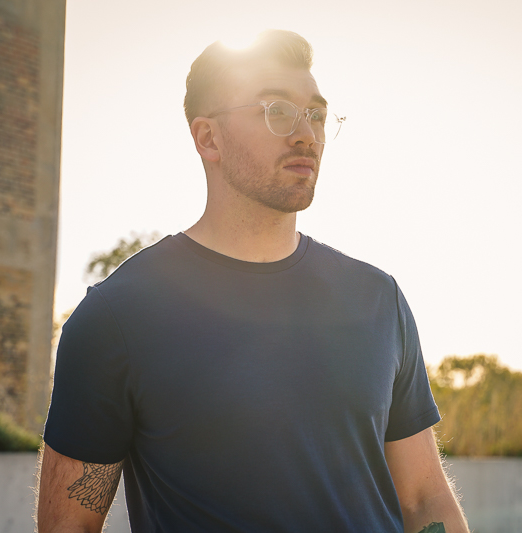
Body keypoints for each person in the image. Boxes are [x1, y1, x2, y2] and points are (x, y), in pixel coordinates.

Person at [36, 30, 470, 533]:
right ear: (207, 138)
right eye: (277, 110)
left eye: (316, 114)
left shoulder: (377, 301)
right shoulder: (116, 319)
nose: (307, 134)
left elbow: (423, 499)